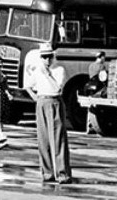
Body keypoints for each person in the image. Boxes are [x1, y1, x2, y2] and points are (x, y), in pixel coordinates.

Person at [26, 43, 72, 184]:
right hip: (42, 101)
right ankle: (47, 172)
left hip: (54, 101)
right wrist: (36, 98)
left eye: (49, 57)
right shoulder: (38, 70)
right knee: (43, 139)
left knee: (58, 139)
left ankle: (62, 173)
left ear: (53, 57)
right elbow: (28, 85)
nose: (46, 60)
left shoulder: (59, 70)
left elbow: (57, 88)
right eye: (44, 57)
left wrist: (48, 75)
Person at [85, 52, 108, 135]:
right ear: (101, 57)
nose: (104, 59)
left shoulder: (91, 65)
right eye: (104, 57)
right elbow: (103, 77)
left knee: (90, 106)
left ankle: (89, 126)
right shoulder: (101, 66)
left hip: (91, 87)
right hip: (99, 88)